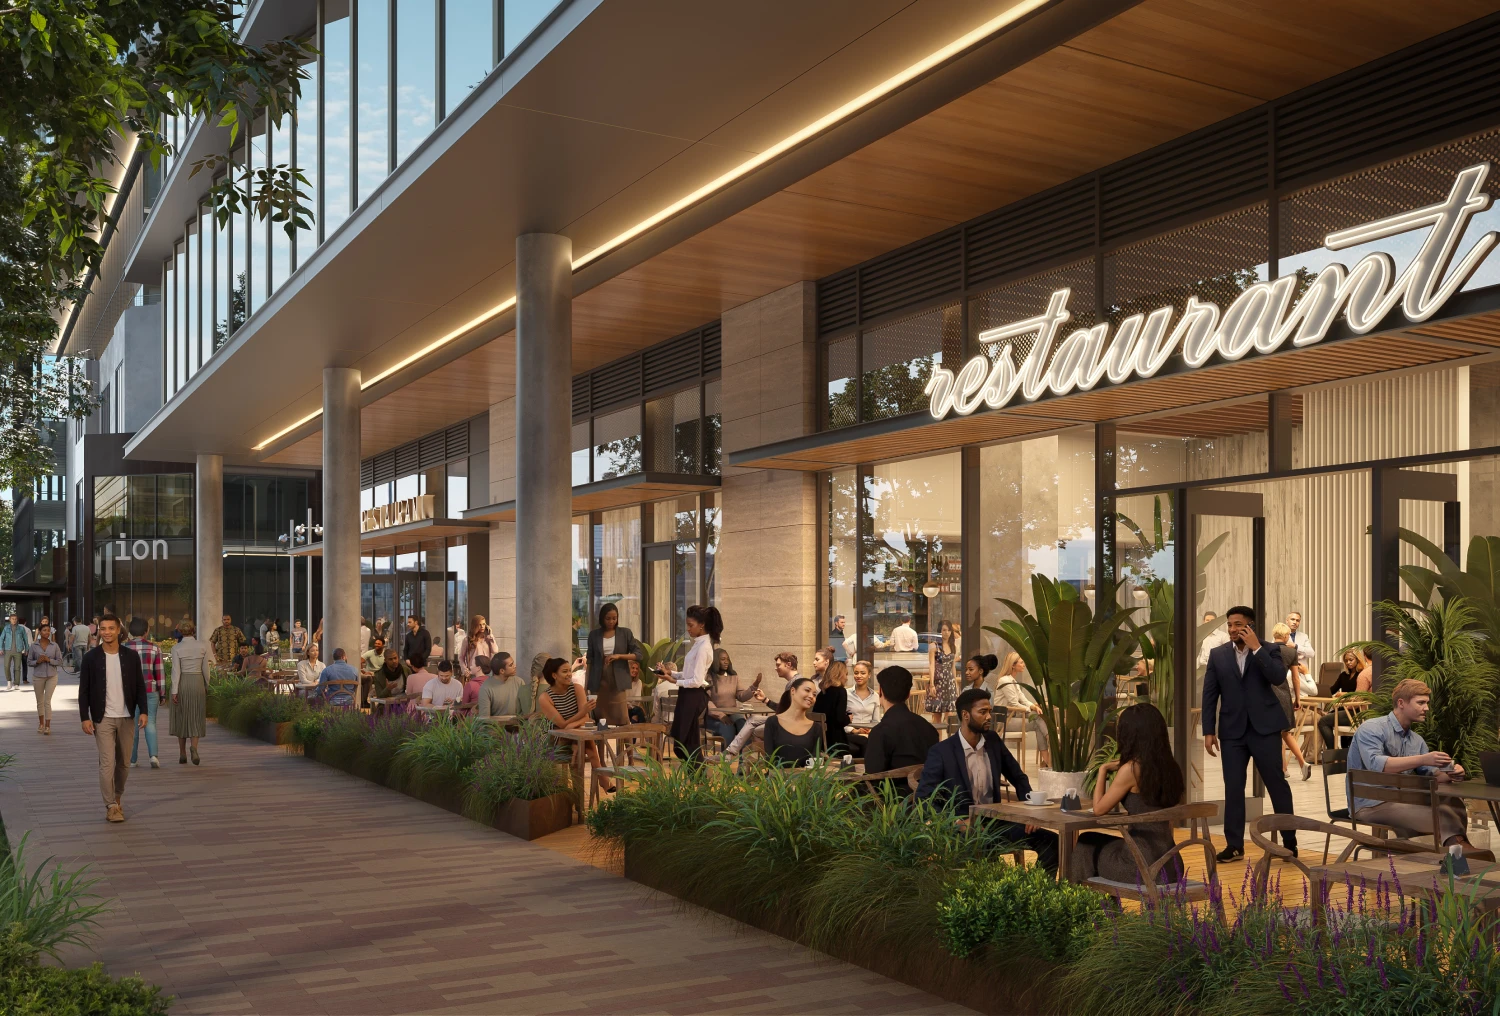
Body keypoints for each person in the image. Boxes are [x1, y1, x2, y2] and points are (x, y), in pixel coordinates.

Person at [916, 687, 1059, 874]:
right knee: (982, 854)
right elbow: (923, 799)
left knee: (1051, 841)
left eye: (989, 711)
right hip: (961, 829)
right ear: (966, 715)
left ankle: (1038, 892)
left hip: (995, 823)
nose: (989, 716)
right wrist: (955, 823)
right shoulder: (942, 752)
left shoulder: (992, 741)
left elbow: (1018, 777)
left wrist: (1030, 809)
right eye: (982, 712)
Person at [1202, 605, 1297, 861]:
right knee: (1233, 787)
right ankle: (1234, 845)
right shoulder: (1217, 655)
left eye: (1238, 625)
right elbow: (1210, 695)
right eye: (1229, 625)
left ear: (1250, 626)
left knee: (1277, 784)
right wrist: (1208, 730)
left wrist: (1256, 648)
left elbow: (1278, 678)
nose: (1232, 629)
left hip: (1264, 728)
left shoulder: (1270, 650)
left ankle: (1289, 841)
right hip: (1232, 731)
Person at [1348, 678, 1478, 851]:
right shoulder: (1372, 728)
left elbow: (1432, 775)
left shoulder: (1416, 740)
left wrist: (1452, 773)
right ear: (1401, 703)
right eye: (1421, 703)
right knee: (1442, 815)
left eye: (1427, 703)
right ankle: (1461, 857)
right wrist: (1423, 759)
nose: (1427, 708)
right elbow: (1376, 764)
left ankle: (1457, 855)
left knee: (1454, 802)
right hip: (1370, 805)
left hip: (1403, 801)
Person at [1071, 703, 1186, 883]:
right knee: (1096, 843)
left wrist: (1103, 770)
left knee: (1086, 843)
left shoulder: (1132, 769)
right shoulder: (1171, 768)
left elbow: (1099, 810)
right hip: (1171, 863)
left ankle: (1085, 908)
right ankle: (1107, 910)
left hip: (1140, 865)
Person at [78, 615, 149, 823]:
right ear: (99, 630)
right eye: (103, 628)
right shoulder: (91, 658)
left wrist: (143, 711)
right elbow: (84, 691)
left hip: (127, 717)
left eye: (111, 628)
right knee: (107, 764)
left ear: (119, 630)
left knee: (124, 763)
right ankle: (110, 805)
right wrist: (85, 717)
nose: (107, 632)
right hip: (103, 718)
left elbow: (139, 687)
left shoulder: (130, 656)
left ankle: (118, 798)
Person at [537, 656, 611, 791]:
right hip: (557, 739)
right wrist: (580, 713)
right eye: (565, 671)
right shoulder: (545, 698)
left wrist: (574, 723)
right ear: (554, 675)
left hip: (577, 734)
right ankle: (603, 780)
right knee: (585, 745)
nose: (569, 674)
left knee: (584, 744)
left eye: (569, 671)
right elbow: (561, 725)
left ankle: (579, 796)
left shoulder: (576, 688)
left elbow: (586, 718)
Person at [862, 666, 939, 794]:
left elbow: (872, 778)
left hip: (889, 806)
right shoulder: (929, 729)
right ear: (908, 694)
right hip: (926, 800)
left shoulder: (880, 732)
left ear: (880, 691)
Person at [672, 604, 722, 761]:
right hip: (687, 694)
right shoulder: (698, 644)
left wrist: (673, 681)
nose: (688, 629)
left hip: (693, 696)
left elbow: (696, 680)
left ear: (702, 625)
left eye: (690, 625)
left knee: (685, 741)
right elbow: (688, 674)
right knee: (685, 741)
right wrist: (671, 674)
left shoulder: (704, 647)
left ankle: (697, 775)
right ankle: (696, 777)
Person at [986, 652, 1052, 769]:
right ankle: (1050, 742)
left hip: (1013, 716)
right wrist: (1032, 708)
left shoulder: (1012, 680)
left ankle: (1047, 761)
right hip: (1003, 720)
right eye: (1021, 662)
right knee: (1036, 718)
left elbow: (1023, 699)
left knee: (1037, 717)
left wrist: (1034, 707)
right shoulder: (1005, 680)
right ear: (1013, 665)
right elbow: (1014, 703)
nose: (1024, 665)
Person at [585, 603, 642, 726]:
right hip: (599, 681)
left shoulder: (625, 633)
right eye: (608, 618)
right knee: (600, 719)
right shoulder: (594, 635)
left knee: (622, 717)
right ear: (602, 618)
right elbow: (590, 661)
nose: (611, 621)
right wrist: (586, 686)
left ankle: (627, 745)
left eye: (614, 618)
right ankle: (601, 745)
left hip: (618, 681)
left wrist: (619, 656)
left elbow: (638, 654)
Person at [1270, 623, 1313, 781]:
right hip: (1284, 694)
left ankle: (1283, 769)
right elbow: (1295, 677)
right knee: (1285, 732)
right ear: (1287, 636)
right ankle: (1300, 764)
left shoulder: (1267, 650)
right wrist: (1298, 698)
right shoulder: (1291, 652)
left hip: (1269, 695)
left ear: (1274, 634)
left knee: (1276, 733)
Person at [123, 617, 165, 769]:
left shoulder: (124, 648)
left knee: (131, 726)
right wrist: (162, 693)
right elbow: (160, 673)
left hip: (130, 692)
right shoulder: (155, 648)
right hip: (150, 690)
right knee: (151, 722)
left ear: (130, 631)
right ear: (147, 631)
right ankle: (153, 756)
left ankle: (132, 759)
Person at [761, 676, 825, 766]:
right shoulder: (772, 722)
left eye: (814, 694)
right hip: (777, 778)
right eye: (807, 690)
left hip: (805, 779)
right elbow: (769, 760)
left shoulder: (816, 728)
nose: (811, 696)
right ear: (793, 691)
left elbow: (814, 763)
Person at [171, 621, 209, 765]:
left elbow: (176, 671)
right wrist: (206, 684)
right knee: (195, 715)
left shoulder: (176, 648)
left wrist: (174, 691)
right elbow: (206, 670)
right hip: (197, 681)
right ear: (193, 631)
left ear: (180, 632)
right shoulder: (202, 647)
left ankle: (182, 753)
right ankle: (194, 747)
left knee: (182, 716)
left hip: (183, 682)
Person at [1319, 649, 1373, 749]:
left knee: (1323, 720)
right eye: (1346, 660)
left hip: (1354, 710)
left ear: (1358, 660)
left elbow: (1360, 695)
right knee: (1323, 717)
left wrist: (1346, 694)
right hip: (1344, 709)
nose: (1348, 662)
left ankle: (1332, 752)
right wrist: (1318, 691)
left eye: (1351, 660)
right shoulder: (1343, 675)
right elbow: (1332, 690)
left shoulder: (1362, 675)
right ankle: (1336, 750)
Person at [706, 648, 758, 741]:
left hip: (733, 714)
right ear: (716, 661)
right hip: (714, 717)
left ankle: (744, 755)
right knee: (728, 729)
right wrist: (721, 715)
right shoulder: (708, 677)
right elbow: (706, 700)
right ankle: (726, 755)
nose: (726, 662)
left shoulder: (733, 677)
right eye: (723, 659)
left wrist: (754, 686)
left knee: (744, 727)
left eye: (727, 659)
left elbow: (741, 696)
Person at [26, 621, 63, 734]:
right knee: (40, 701)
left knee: (47, 701)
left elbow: (60, 661)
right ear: (40, 632)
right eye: (44, 630)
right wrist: (37, 661)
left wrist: (49, 660)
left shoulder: (54, 645)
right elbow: (29, 662)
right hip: (38, 676)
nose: (47, 632)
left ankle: (48, 726)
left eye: (48, 630)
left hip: (52, 676)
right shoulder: (34, 646)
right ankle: (41, 724)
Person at [477, 652, 533, 718]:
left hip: (518, 726)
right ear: (502, 671)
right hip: (496, 727)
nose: (515, 666)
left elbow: (526, 710)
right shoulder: (486, 688)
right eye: (511, 665)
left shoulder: (519, 682)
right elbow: (484, 719)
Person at [813, 659, 851, 754]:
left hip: (820, 741)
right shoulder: (841, 691)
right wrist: (848, 718)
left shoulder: (821, 694)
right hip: (836, 742)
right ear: (840, 675)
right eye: (846, 674)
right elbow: (840, 720)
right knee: (864, 742)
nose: (846, 678)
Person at [925, 619, 958, 721]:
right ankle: (938, 737)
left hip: (949, 682)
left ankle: (948, 737)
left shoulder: (953, 647)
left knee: (950, 714)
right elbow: (932, 665)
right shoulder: (934, 646)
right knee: (937, 715)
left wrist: (956, 684)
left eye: (948, 630)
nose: (946, 632)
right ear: (940, 631)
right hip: (938, 682)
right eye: (944, 630)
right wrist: (931, 685)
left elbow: (953, 666)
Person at [846, 660, 882, 741]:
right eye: (856, 673)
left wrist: (870, 730)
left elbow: (876, 721)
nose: (859, 676)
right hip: (850, 735)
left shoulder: (875, 696)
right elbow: (840, 720)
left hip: (869, 734)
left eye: (862, 673)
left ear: (869, 675)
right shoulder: (846, 694)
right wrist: (855, 731)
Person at [460, 615, 498, 680]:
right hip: (474, 672)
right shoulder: (467, 640)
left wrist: (491, 635)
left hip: (487, 671)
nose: (482, 626)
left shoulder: (488, 638)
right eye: (479, 624)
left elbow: (495, 651)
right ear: (475, 625)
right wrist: (464, 669)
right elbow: (461, 657)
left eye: (484, 624)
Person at [1, 612, 30, 691]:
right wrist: (1, 648)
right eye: (12, 619)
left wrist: (26, 649)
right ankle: (9, 682)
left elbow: (25, 639)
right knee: (6, 666)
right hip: (8, 650)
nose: (14, 620)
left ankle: (16, 684)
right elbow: (1, 638)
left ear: (17, 620)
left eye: (15, 619)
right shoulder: (6, 628)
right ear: (10, 620)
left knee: (17, 667)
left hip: (18, 651)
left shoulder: (21, 628)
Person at [1286, 610, 1316, 677]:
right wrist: (1301, 654)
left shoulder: (1304, 636)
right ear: (1287, 620)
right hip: (1286, 673)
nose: (1295, 622)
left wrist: (1296, 647)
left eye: (1297, 620)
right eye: (1292, 619)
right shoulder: (1280, 635)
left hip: (1301, 673)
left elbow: (1311, 653)